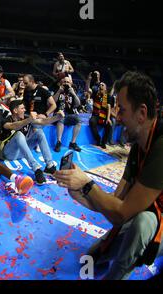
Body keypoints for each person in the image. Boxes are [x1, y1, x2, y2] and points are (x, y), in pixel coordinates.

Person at [55, 71, 163, 280]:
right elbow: (115, 204)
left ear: (142, 112)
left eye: (121, 110)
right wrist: (83, 196)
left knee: (142, 223)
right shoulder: (138, 148)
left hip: (155, 221)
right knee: (92, 257)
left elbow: (122, 214)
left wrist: (87, 185)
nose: (117, 117)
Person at [0, 100, 63, 185]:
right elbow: (14, 126)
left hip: (22, 152)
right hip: (8, 154)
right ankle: (36, 169)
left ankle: (49, 166)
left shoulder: (26, 117)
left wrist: (57, 117)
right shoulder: (5, 121)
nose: (24, 110)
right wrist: (29, 120)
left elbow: (43, 121)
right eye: (22, 108)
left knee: (39, 132)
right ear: (15, 111)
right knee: (19, 134)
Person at [52, 77, 82, 152]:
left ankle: (73, 143)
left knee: (78, 120)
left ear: (71, 83)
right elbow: (52, 102)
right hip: (59, 113)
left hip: (70, 114)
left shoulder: (72, 91)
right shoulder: (58, 89)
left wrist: (73, 93)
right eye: (64, 81)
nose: (66, 83)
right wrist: (59, 91)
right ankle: (58, 142)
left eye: (67, 82)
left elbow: (78, 104)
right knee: (61, 117)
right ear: (62, 82)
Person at [89, 82, 113, 149]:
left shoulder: (108, 96)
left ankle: (103, 142)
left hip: (104, 116)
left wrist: (108, 118)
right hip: (96, 115)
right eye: (100, 85)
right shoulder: (96, 94)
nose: (101, 86)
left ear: (105, 88)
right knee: (92, 121)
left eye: (102, 85)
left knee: (109, 125)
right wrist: (89, 80)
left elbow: (109, 107)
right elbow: (88, 90)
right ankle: (98, 139)